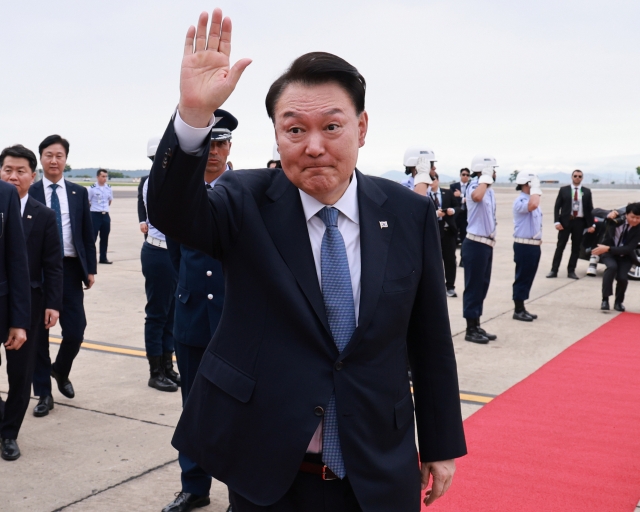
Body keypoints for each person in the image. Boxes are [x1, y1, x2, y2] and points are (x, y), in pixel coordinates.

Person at [148, 10, 466, 512]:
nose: (314, 146)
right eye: (294, 130)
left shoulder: (408, 213)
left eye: (332, 126)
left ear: (361, 128)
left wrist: (443, 442)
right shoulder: (244, 199)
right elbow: (171, 211)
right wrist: (192, 117)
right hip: (269, 468)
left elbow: (429, 339)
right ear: (276, 134)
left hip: (378, 466)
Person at [162, 109, 237, 512]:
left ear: (230, 147)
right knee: (193, 407)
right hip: (192, 317)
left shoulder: (245, 191)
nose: (212, 151)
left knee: (238, 411)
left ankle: (238, 492)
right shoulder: (183, 192)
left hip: (234, 319)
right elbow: (177, 255)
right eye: (207, 143)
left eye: (220, 143)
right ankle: (195, 486)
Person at [0, 145, 63, 460]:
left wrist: (53, 302)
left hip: (29, 302)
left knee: (20, 375)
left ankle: (9, 435)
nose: (13, 176)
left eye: (20, 171)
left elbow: (53, 263)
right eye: (7, 169)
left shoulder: (43, 214)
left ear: (32, 175)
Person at [30, 135, 96, 414]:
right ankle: (44, 393)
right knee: (38, 336)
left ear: (66, 159)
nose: (54, 160)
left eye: (59, 155)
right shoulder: (28, 192)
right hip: (36, 271)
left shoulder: (78, 193)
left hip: (68, 270)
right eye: (48, 154)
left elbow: (85, 232)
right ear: (41, 159)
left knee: (76, 330)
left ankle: (60, 369)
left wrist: (90, 268)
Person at [141, 156, 180, 393]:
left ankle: (168, 366)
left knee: (172, 313)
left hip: (172, 251)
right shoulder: (155, 181)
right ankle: (155, 371)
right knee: (157, 314)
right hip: (159, 250)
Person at [0, 173, 31, 461]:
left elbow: (16, 259)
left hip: (3, 305)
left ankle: (9, 434)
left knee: (19, 376)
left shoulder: (5, 194)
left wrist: (20, 321)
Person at [461, 154, 499, 344]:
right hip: (475, 244)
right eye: (492, 169)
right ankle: (470, 329)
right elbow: (476, 197)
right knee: (473, 287)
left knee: (482, 286)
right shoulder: (475, 185)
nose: (494, 173)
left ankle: (476, 323)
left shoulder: (489, 190)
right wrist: (484, 177)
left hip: (486, 244)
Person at [546, 170, 595, 280]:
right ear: (572, 177)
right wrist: (557, 221)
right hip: (566, 222)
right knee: (560, 246)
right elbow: (557, 207)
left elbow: (589, 209)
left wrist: (591, 225)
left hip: (579, 222)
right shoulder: (564, 190)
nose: (577, 178)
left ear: (582, 178)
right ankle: (554, 270)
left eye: (580, 176)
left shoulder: (586, 192)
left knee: (576, 248)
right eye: (575, 176)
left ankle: (571, 271)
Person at [592, 202, 640, 311]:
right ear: (626, 214)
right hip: (609, 254)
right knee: (611, 268)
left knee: (622, 278)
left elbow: (629, 248)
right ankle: (605, 300)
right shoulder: (616, 219)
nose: (635, 220)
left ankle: (619, 302)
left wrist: (607, 248)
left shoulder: (639, 229)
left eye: (638, 218)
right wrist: (608, 213)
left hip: (625, 255)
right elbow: (594, 211)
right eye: (632, 217)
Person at [417, 172, 459, 297]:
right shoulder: (424, 194)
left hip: (447, 231)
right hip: (433, 232)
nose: (432, 181)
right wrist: (435, 214)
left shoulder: (447, 192)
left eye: (434, 178)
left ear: (438, 180)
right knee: (433, 261)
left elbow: (458, 207)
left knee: (450, 260)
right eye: (430, 179)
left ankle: (450, 286)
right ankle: (434, 288)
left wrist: (453, 211)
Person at [511, 172, 543, 321]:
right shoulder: (520, 201)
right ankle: (518, 309)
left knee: (528, 277)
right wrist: (535, 188)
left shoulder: (531, 200)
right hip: (523, 245)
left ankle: (522, 307)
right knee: (522, 277)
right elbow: (533, 205)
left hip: (533, 245)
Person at [88, 168, 114, 264]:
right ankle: (90, 258)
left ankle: (103, 258)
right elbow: (87, 201)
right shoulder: (92, 188)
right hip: (95, 215)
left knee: (105, 237)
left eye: (106, 176)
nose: (105, 178)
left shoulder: (109, 188)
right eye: (103, 176)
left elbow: (109, 201)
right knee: (92, 238)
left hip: (105, 215)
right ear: (97, 177)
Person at [450, 168, 470, 247]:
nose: (465, 176)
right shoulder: (453, 186)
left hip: (466, 213)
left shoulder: (471, 186)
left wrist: (461, 196)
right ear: (460, 175)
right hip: (457, 213)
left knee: (464, 233)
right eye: (463, 174)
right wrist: (464, 199)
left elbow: (472, 199)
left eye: (467, 175)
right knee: (454, 232)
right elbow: (452, 199)